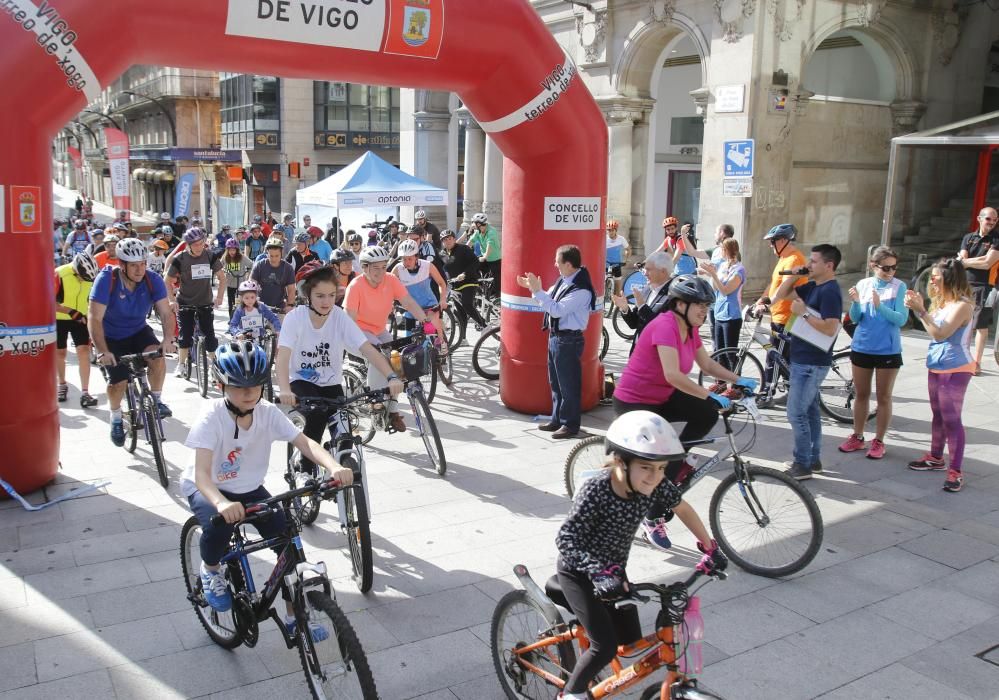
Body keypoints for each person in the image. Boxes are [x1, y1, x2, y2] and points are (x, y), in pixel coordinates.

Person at [182, 340, 353, 634]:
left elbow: (306, 443)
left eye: (255, 385)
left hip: (249, 488)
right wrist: (222, 503)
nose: (249, 393)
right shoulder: (211, 416)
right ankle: (210, 569)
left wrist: (333, 466)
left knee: (288, 546)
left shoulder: (267, 412)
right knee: (219, 525)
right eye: (238, 386)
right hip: (210, 488)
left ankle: (293, 619)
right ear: (220, 385)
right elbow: (200, 475)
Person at [554, 411, 727, 699]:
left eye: (661, 468)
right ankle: (570, 694)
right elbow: (566, 539)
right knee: (604, 646)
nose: (656, 476)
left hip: (614, 573)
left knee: (631, 641)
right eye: (647, 467)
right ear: (621, 461)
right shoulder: (597, 490)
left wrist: (709, 547)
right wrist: (597, 571)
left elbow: (682, 508)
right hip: (579, 572)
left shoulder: (655, 484)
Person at [612, 275, 755, 549]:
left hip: (662, 397)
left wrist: (739, 381)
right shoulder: (665, 326)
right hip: (635, 401)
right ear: (679, 304)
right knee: (666, 455)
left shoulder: (689, 329)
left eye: (706, 306)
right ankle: (651, 518)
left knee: (706, 414)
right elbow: (673, 375)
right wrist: (710, 394)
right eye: (699, 305)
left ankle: (677, 465)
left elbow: (709, 366)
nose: (704, 311)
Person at [276, 263, 404, 471]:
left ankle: (346, 481)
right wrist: (284, 389)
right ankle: (305, 469)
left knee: (345, 432)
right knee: (316, 416)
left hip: (332, 385)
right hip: (302, 382)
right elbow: (283, 357)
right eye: (320, 296)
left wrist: (391, 376)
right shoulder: (295, 318)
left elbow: (368, 349)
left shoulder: (339, 317)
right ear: (307, 294)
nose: (327, 301)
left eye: (331, 295)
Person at [88, 238, 177, 445]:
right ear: (122, 265)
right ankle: (116, 417)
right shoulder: (106, 280)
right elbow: (94, 318)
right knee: (118, 382)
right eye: (134, 265)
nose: (140, 270)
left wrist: (168, 339)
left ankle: (156, 399)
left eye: (143, 264)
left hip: (138, 331)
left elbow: (165, 313)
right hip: (111, 337)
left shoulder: (152, 279)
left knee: (157, 357)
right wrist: (102, 351)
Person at [773, 244, 844, 481]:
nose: (809, 264)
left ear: (829, 265)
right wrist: (794, 275)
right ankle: (812, 460)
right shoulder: (813, 286)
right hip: (802, 357)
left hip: (813, 362)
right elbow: (781, 295)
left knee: (796, 413)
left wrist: (804, 313)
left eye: (813, 261)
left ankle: (802, 463)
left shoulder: (831, 292)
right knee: (811, 412)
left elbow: (830, 327)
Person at [903, 258, 974, 493]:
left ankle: (955, 471)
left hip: (956, 368)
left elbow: (941, 334)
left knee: (952, 419)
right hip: (936, 365)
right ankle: (935, 457)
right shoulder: (942, 303)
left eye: (936, 276)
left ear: (950, 279)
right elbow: (932, 332)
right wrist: (922, 309)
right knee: (938, 415)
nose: (932, 279)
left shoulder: (962, 305)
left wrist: (921, 310)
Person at [342, 246, 432, 432]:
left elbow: (407, 302)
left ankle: (392, 410)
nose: (381, 272)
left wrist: (424, 320)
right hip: (357, 332)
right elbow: (348, 322)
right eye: (376, 268)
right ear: (365, 268)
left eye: (384, 267)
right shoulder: (356, 286)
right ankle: (375, 404)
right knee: (379, 356)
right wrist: (364, 345)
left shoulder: (391, 280)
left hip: (379, 330)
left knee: (396, 360)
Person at [517, 245, 595, 440]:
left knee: (568, 385)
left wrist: (537, 290)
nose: (555, 264)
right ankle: (557, 419)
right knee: (556, 383)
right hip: (557, 337)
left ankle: (570, 425)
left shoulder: (581, 290)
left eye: (557, 261)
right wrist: (534, 289)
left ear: (568, 264)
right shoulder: (565, 280)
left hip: (569, 339)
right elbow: (547, 298)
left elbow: (556, 309)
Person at [839, 246, 907, 460]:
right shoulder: (864, 284)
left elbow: (901, 319)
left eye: (894, 268)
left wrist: (880, 307)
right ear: (873, 266)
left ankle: (878, 441)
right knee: (861, 394)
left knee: (884, 396)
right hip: (863, 346)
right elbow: (857, 318)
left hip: (888, 348)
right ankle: (857, 436)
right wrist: (856, 303)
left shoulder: (899, 287)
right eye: (885, 268)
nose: (890, 272)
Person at [753, 224, 808, 393]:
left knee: (775, 357)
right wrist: (760, 300)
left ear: (784, 240)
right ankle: (794, 391)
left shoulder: (794, 260)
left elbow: (782, 289)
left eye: (773, 241)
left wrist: (767, 305)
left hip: (788, 317)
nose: (771, 245)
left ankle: (767, 393)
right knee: (784, 357)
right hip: (779, 316)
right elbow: (773, 285)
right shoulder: (784, 259)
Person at [168, 227, 225, 377]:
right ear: (188, 245)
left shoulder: (210, 256)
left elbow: (222, 277)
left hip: (205, 302)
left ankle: (215, 366)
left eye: (201, 243)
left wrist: (219, 296)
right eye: (195, 244)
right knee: (185, 335)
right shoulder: (180, 258)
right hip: (185, 302)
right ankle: (181, 364)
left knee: (210, 336)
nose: (199, 247)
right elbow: (166, 281)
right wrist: (171, 300)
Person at [955, 206, 998, 375]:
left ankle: (977, 362)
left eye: (995, 220)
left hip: (986, 286)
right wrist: (974, 260)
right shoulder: (968, 237)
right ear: (979, 219)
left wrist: (965, 262)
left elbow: (988, 263)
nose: (992, 223)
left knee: (981, 324)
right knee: (962, 322)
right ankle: (962, 358)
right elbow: (964, 258)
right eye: (988, 219)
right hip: (965, 284)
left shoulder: (997, 238)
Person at [55, 252, 100, 407]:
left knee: (84, 352)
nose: (84, 280)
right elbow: (47, 301)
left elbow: (92, 298)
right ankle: (62, 384)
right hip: (59, 318)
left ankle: (85, 393)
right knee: (60, 353)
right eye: (82, 277)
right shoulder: (59, 274)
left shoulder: (89, 276)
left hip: (80, 318)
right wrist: (69, 311)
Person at [393, 239, 450, 353]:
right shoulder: (398, 269)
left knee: (431, 327)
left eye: (410, 258)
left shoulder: (428, 266)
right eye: (404, 259)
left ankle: (442, 342)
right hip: (411, 307)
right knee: (409, 340)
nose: (407, 262)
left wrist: (442, 299)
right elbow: (388, 287)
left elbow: (442, 283)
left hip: (429, 304)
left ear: (416, 256)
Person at [610, 251, 674, 349]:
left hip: (656, 356)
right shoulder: (647, 288)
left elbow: (659, 328)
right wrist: (625, 308)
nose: (645, 274)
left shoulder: (673, 296)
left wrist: (642, 306)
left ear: (663, 271)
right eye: (645, 270)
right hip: (638, 354)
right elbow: (634, 323)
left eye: (648, 270)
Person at [700, 238, 745, 367]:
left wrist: (713, 274)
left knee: (730, 353)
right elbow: (715, 287)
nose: (720, 252)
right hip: (719, 313)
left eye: (722, 250)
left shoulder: (739, 270)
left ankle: (737, 384)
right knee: (719, 351)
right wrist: (711, 273)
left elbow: (726, 291)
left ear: (727, 250)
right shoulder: (723, 266)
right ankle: (721, 383)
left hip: (732, 315)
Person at [440, 228, 488, 340]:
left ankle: (485, 326)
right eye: (445, 240)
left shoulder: (463, 249)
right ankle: (463, 338)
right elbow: (441, 269)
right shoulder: (442, 254)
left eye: (450, 238)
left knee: (467, 304)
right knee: (461, 313)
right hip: (454, 285)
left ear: (454, 239)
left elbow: (475, 262)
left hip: (469, 281)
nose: (447, 241)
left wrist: (464, 273)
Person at [250, 237, 296, 317]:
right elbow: (251, 284)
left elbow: (291, 289)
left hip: (279, 307)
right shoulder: (259, 265)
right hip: (260, 305)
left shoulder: (288, 268)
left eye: (277, 256)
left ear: (281, 253)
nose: (274, 259)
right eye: (271, 256)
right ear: (267, 253)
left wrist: (290, 305)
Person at [461, 213, 501, 297]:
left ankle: (496, 299)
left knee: (497, 282)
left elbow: (489, 246)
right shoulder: (478, 232)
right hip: (485, 259)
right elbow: (470, 243)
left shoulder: (491, 232)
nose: (473, 225)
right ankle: (479, 291)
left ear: (479, 224)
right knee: (473, 269)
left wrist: (485, 256)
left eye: (474, 223)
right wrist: (462, 253)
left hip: (495, 260)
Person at [221, 238, 253, 318]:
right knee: (231, 303)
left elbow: (251, 264)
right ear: (227, 250)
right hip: (230, 284)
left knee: (241, 302)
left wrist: (248, 272)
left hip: (241, 284)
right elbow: (219, 266)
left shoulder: (241, 257)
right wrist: (223, 270)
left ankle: (242, 318)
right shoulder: (225, 258)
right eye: (230, 250)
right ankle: (231, 319)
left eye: (234, 250)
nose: (232, 252)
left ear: (237, 250)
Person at [605, 219, 630, 295]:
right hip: (606, 264)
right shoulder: (604, 238)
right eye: (608, 230)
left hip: (617, 264)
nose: (610, 232)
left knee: (617, 288)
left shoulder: (621, 239)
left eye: (612, 230)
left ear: (616, 230)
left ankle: (616, 305)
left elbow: (628, 249)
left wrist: (626, 260)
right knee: (602, 285)